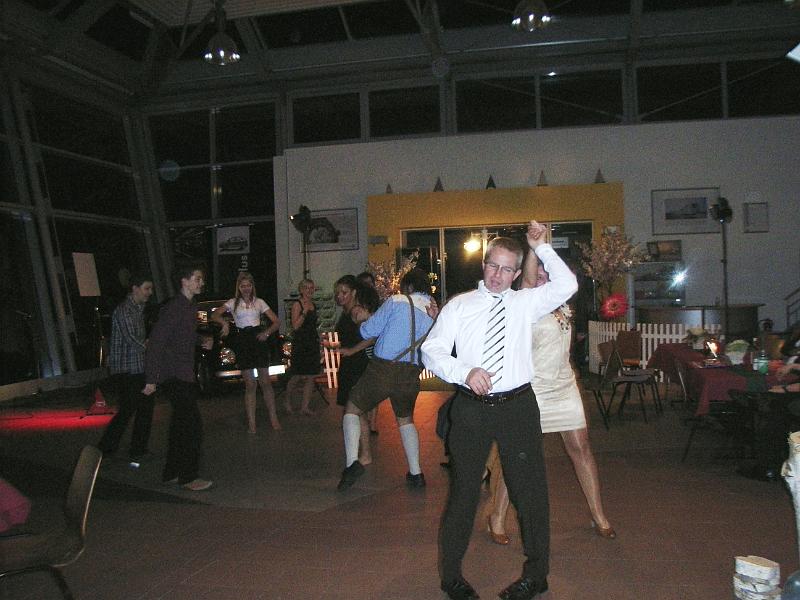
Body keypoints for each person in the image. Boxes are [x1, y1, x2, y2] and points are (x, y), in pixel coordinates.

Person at [421, 221, 577, 600]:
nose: (498, 275)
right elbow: (431, 350)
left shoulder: (525, 303)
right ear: (483, 264)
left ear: (517, 273)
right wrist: (464, 371)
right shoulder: (460, 306)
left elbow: (567, 284)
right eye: (494, 266)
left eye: (508, 269)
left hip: (517, 408)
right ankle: (451, 577)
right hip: (471, 410)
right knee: (463, 494)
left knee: (530, 494)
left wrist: (541, 247)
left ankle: (537, 576)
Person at [486, 255, 615, 549]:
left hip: (564, 386)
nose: (543, 274)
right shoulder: (525, 304)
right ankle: (497, 516)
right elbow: (529, 280)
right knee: (519, 456)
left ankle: (598, 514)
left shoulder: (561, 304)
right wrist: (535, 247)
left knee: (582, 448)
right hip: (533, 390)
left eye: (548, 270)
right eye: (539, 270)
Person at [336, 268, 435, 491]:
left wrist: (363, 318)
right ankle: (416, 473)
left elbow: (367, 331)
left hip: (383, 368)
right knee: (405, 420)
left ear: (408, 287)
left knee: (352, 408)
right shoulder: (433, 310)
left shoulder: (397, 301)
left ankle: (352, 464)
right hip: (411, 373)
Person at [143, 264, 213, 492]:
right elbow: (156, 342)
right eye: (197, 278)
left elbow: (183, 336)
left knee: (180, 425)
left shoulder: (189, 306)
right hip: (174, 374)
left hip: (182, 373)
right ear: (184, 281)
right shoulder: (174, 307)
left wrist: (201, 340)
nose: (201, 283)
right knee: (192, 426)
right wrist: (151, 379)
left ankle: (172, 472)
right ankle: (188, 477)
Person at [212, 272, 281, 433]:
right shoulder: (232, 302)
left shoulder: (259, 302)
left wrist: (266, 333)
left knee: (265, 382)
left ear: (252, 286)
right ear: (239, 287)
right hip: (243, 339)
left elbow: (276, 321)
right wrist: (224, 323)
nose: (246, 289)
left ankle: (274, 418)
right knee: (250, 384)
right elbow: (214, 315)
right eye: (243, 286)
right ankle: (252, 423)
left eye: (248, 285)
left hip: (257, 338)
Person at [97, 273, 155, 461]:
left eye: (150, 289)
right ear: (135, 288)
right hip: (127, 369)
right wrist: (150, 346)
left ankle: (136, 449)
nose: (149, 292)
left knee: (144, 407)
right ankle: (106, 448)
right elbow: (132, 339)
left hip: (138, 367)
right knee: (129, 408)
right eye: (146, 288)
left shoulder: (138, 309)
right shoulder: (124, 310)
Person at [331, 275, 380, 464]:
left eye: (344, 292)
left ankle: (364, 454)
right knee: (353, 411)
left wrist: (352, 350)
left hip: (358, 364)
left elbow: (372, 335)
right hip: (351, 364)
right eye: (338, 293)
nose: (340, 296)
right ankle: (360, 453)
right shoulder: (348, 311)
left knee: (356, 411)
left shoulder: (357, 310)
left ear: (353, 292)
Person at [284, 278, 320, 416]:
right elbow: (295, 326)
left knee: (311, 375)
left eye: (311, 287)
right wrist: (304, 312)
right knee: (297, 374)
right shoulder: (297, 305)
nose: (309, 290)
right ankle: (287, 400)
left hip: (312, 342)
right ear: (301, 289)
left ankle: (305, 406)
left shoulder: (314, 305)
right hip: (301, 343)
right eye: (306, 288)